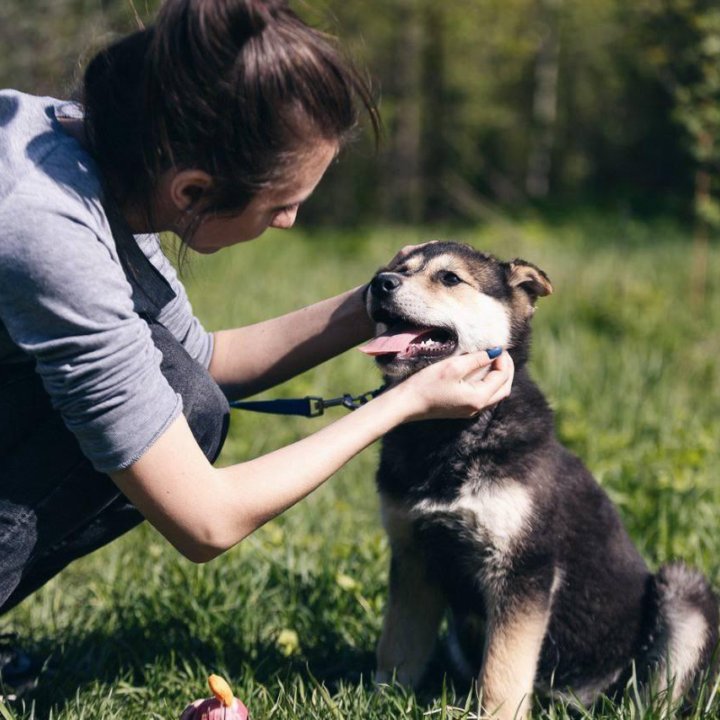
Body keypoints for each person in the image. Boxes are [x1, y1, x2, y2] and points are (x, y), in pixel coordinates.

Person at [0, 0, 514, 664]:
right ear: (192, 192)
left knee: (187, 400)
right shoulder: (48, 231)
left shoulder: (93, 150)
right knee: (185, 412)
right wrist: (404, 404)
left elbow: (202, 361)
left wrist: (379, 299)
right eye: (282, 203)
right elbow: (206, 521)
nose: (290, 222)